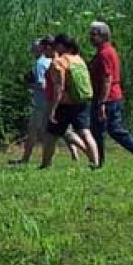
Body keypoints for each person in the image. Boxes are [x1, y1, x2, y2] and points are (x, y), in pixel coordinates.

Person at [9, 38, 84, 165]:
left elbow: (42, 85)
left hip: (43, 103)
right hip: (54, 101)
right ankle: (76, 155)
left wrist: (29, 84)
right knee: (64, 132)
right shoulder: (51, 60)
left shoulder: (39, 64)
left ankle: (27, 159)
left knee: (38, 131)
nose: (32, 49)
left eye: (35, 47)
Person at [89, 21, 133, 168]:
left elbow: (107, 79)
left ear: (103, 35)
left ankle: (99, 162)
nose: (90, 38)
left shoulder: (104, 53)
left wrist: (102, 103)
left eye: (93, 35)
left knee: (99, 130)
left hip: (107, 97)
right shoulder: (108, 51)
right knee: (114, 129)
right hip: (113, 96)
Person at [40, 34, 99, 169]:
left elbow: (59, 87)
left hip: (65, 104)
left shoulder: (59, 62)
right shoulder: (79, 60)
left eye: (56, 44)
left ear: (61, 46)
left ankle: (45, 164)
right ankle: (95, 162)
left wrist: (53, 108)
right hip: (81, 101)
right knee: (85, 132)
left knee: (51, 134)